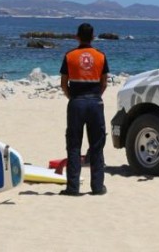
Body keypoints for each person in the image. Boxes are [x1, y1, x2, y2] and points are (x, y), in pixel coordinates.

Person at [59, 22, 109, 196]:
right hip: (95, 103)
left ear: (77, 37)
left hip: (76, 103)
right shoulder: (101, 56)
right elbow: (104, 83)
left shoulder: (70, 55)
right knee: (97, 145)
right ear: (93, 37)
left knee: (73, 145)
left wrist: (72, 98)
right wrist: (96, 96)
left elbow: (63, 83)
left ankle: (73, 187)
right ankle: (97, 187)